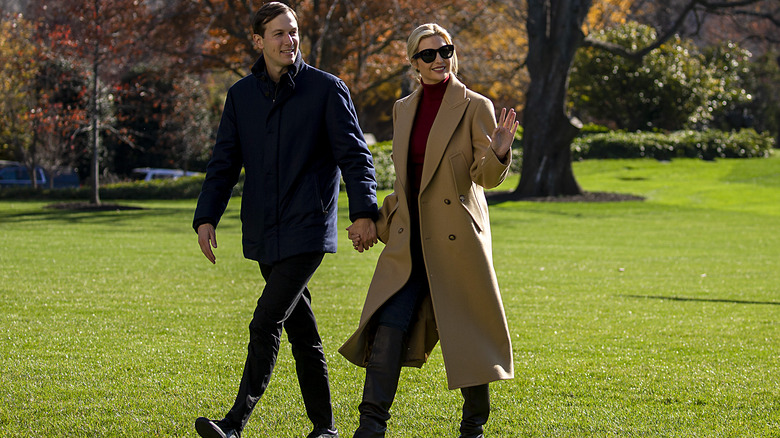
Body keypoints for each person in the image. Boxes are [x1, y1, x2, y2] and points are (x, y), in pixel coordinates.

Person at [192, 3, 379, 438]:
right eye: (278, 34)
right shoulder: (240, 96)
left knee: (265, 321)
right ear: (258, 41)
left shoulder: (326, 90)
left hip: (307, 230)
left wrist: (365, 211)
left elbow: (355, 156)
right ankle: (325, 429)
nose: (288, 40)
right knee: (302, 331)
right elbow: (223, 163)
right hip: (262, 232)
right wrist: (206, 217)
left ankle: (234, 424)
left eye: (293, 32)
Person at [339, 23, 517, 438]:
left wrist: (501, 149)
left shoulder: (476, 106)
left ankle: (473, 428)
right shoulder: (404, 109)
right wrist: (374, 224)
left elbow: (484, 178)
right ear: (413, 63)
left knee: (467, 335)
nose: (439, 59)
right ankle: (370, 430)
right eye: (428, 54)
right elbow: (407, 188)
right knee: (388, 329)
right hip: (410, 244)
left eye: (445, 51)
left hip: (458, 243)